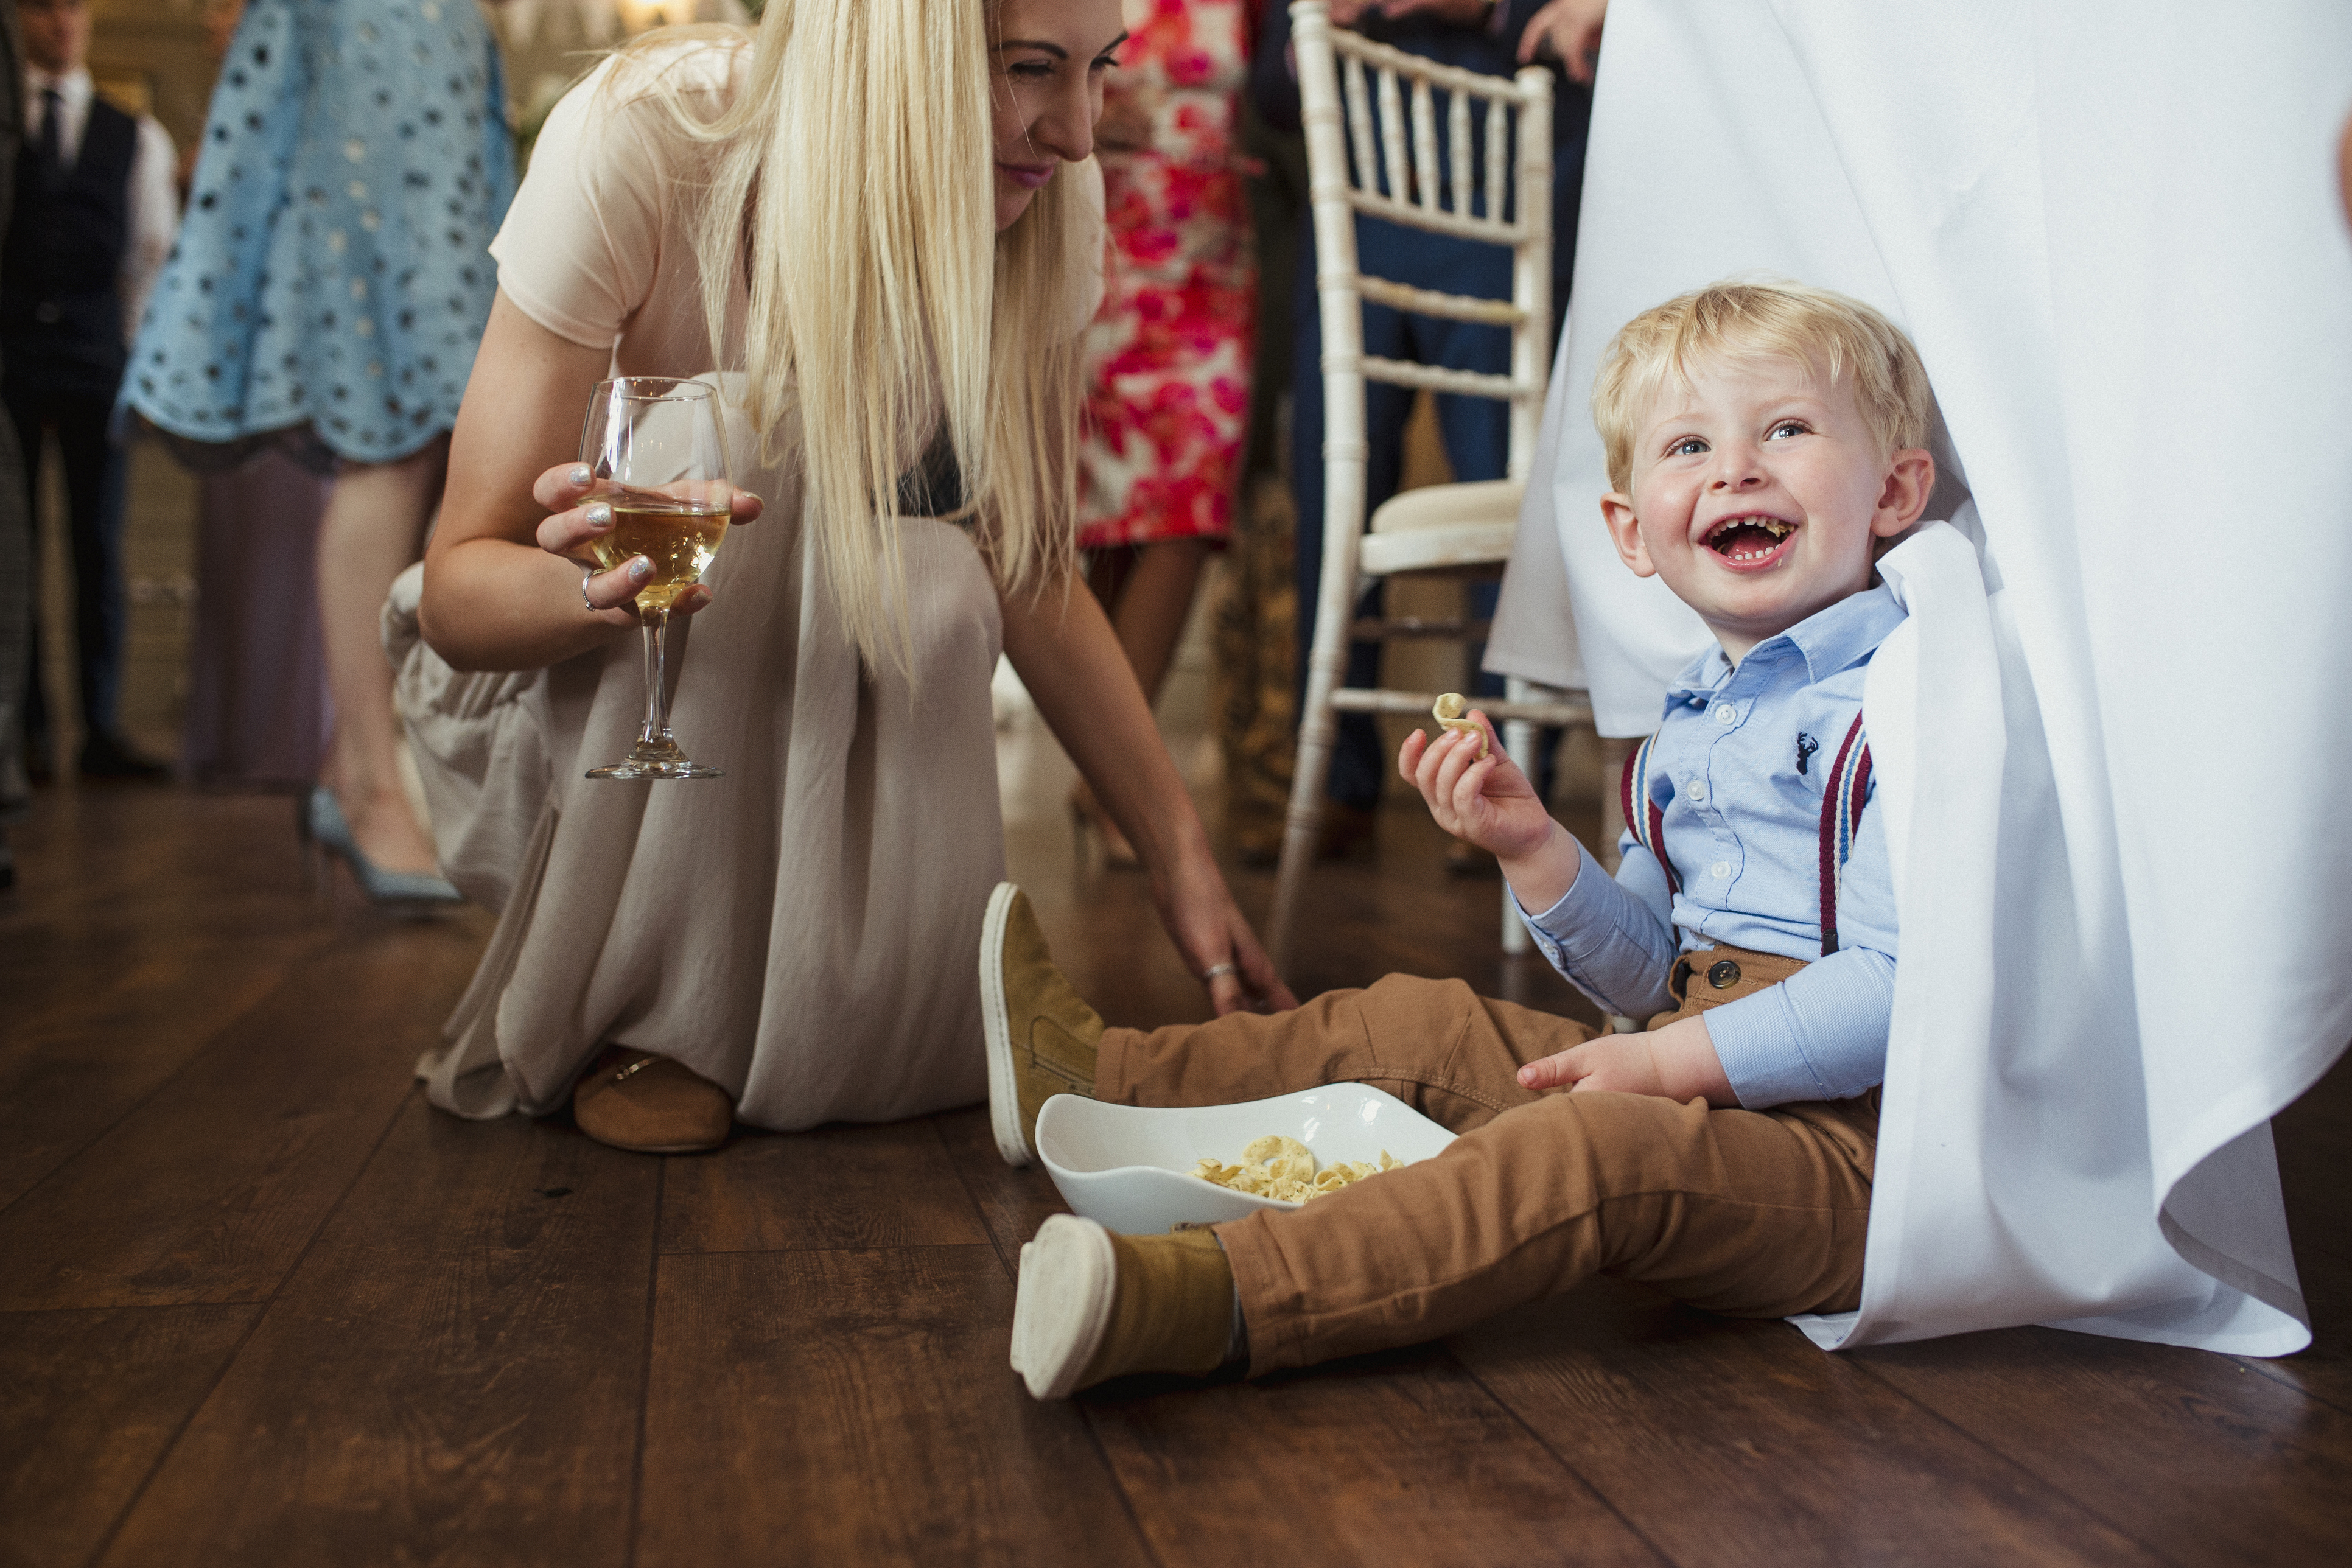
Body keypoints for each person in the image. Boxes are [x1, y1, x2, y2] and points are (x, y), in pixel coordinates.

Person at [989, 279, 1934, 1398]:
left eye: (1784, 429)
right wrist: (1532, 849)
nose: (1734, 468)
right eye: (1688, 444)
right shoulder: (1685, 721)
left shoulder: (1904, 695)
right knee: (1418, 1022)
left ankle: (1212, 1296)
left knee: (1578, 1152)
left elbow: (1893, 990)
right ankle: (1096, 1073)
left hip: (1846, 1164)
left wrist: (1659, 1063)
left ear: (1895, 489)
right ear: (1629, 532)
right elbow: (1647, 971)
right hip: (1695, 1088)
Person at [400, 0, 1295, 1157]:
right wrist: (598, 590)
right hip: (565, 700)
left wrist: (1181, 857)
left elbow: (1028, 564)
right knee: (708, 456)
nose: (1078, 134)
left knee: (937, 565)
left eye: (1099, 73)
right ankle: (652, 1011)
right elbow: (457, 591)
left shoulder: (1042, 205)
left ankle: (856, 1007)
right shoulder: (644, 140)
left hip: (805, 691)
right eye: (1032, 71)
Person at [122, 0, 513, 902]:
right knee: (391, 442)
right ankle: (372, 789)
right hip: (378, 82)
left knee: (433, 446)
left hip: (433, 82)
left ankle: (355, 767)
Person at [1250, 0, 1594, 857]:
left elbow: (1572, 39)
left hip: (1508, 208)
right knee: (1333, 498)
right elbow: (1266, 87)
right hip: (1353, 231)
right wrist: (1320, 22)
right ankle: (1339, 783)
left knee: (1507, 501)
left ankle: (1504, 778)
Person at [1068, 0, 1256, 867]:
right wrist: (1089, 104)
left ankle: (1120, 783)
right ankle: (1106, 771)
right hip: (1092, 263)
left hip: (1212, 278)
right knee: (1103, 536)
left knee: (1186, 525)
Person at [2, 0, 177, 781]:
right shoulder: (9, 133)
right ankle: (27, 729)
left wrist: (134, 369)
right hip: (11, 366)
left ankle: (99, 728)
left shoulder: (132, 135)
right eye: (43, 7)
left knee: (96, 548)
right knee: (16, 554)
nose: (60, 22)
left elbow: (149, 265)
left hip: (95, 366)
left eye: (73, 6)